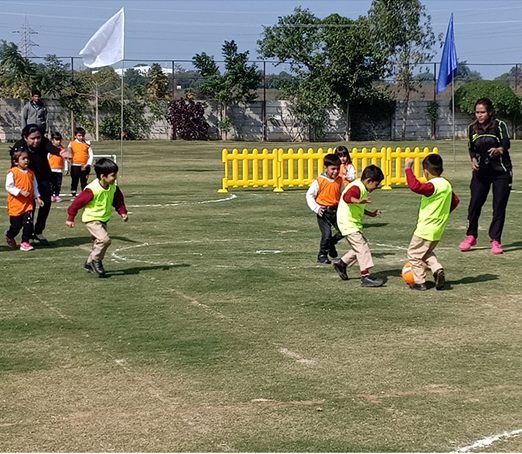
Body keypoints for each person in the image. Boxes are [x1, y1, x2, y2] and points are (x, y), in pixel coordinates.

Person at [460, 98, 512, 255]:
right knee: (474, 204)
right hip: (481, 173)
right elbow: (471, 148)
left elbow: (506, 143)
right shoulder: (472, 128)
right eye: (477, 112)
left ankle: (495, 240)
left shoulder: (499, 125)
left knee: (498, 206)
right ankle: (471, 236)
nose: (479, 115)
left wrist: (499, 150)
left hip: (501, 172)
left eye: (482, 112)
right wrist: (473, 159)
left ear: (490, 112)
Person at [405, 155, 460, 291]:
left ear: (426, 171)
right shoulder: (446, 185)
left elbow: (415, 186)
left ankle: (420, 281)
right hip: (438, 229)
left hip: (425, 228)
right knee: (425, 252)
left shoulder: (433, 185)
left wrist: (408, 168)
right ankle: (437, 269)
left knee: (413, 254)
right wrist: (442, 213)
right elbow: (455, 201)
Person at [66, 158, 128, 276]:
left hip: (103, 219)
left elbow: (118, 201)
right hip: (92, 219)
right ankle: (96, 260)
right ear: (103, 176)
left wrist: (122, 212)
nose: (115, 178)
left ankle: (89, 263)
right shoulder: (92, 190)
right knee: (104, 240)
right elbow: (76, 204)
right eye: (113, 175)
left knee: (98, 243)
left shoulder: (113, 187)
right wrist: (71, 218)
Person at [10, 124, 65, 246]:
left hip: (43, 177)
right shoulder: (19, 146)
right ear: (25, 137)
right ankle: (27, 236)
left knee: (46, 203)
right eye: (32, 138)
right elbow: (14, 167)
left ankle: (38, 231)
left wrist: (62, 152)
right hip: (27, 179)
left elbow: (52, 148)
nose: (36, 141)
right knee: (30, 208)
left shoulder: (43, 142)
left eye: (38, 137)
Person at [332, 165, 385, 287]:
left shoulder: (362, 188)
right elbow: (347, 197)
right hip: (347, 223)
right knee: (362, 247)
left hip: (351, 223)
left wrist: (371, 214)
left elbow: (358, 207)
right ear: (369, 181)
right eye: (376, 185)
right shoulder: (357, 187)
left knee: (359, 247)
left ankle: (342, 264)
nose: (376, 188)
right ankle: (365, 277)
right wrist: (359, 201)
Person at [306, 153, 345, 264]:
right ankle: (322, 254)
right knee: (326, 234)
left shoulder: (340, 181)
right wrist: (317, 208)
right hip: (323, 212)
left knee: (343, 231)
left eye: (337, 169)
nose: (335, 172)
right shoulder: (319, 181)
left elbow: (343, 194)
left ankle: (331, 243)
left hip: (336, 210)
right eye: (333, 169)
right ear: (325, 168)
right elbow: (309, 195)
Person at [5, 150, 44, 251]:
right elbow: (9, 186)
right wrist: (20, 191)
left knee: (28, 224)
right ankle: (9, 235)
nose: (26, 160)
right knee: (16, 226)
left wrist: (37, 197)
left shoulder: (31, 173)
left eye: (27, 158)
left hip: (28, 204)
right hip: (16, 205)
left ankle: (25, 242)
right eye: (23, 158)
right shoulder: (12, 172)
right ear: (16, 162)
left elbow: (34, 187)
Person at [67, 127, 93, 197]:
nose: (81, 137)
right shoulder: (71, 143)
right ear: (75, 136)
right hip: (74, 165)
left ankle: (84, 195)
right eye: (79, 135)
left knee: (84, 181)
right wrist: (68, 164)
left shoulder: (87, 144)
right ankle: (73, 194)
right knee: (74, 181)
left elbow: (91, 155)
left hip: (84, 166)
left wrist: (87, 164)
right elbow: (68, 154)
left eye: (82, 135)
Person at [48, 132, 66, 202]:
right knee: (51, 184)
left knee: (58, 184)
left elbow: (65, 159)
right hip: (51, 169)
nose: (58, 142)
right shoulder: (49, 149)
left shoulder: (62, 149)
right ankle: (51, 195)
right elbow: (47, 158)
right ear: (52, 140)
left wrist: (66, 168)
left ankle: (57, 195)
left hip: (59, 169)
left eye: (60, 140)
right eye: (57, 140)